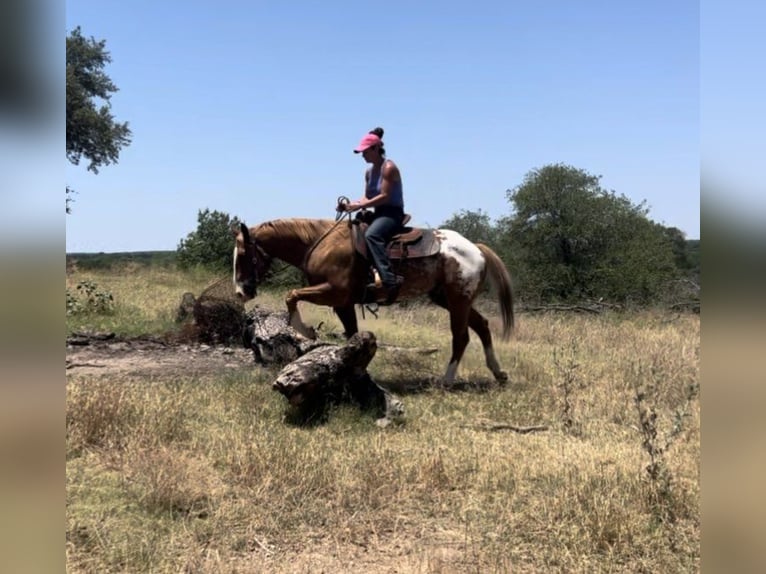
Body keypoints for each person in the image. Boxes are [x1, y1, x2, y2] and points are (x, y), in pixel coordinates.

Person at [344, 127, 405, 304]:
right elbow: (367, 197)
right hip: (377, 212)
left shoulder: (389, 168)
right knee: (351, 231)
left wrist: (362, 205)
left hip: (392, 213)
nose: (362, 155)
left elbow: (385, 196)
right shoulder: (369, 172)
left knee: (372, 235)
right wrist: (351, 205)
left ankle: (389, 280)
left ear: (375, 149)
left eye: (364, 152)